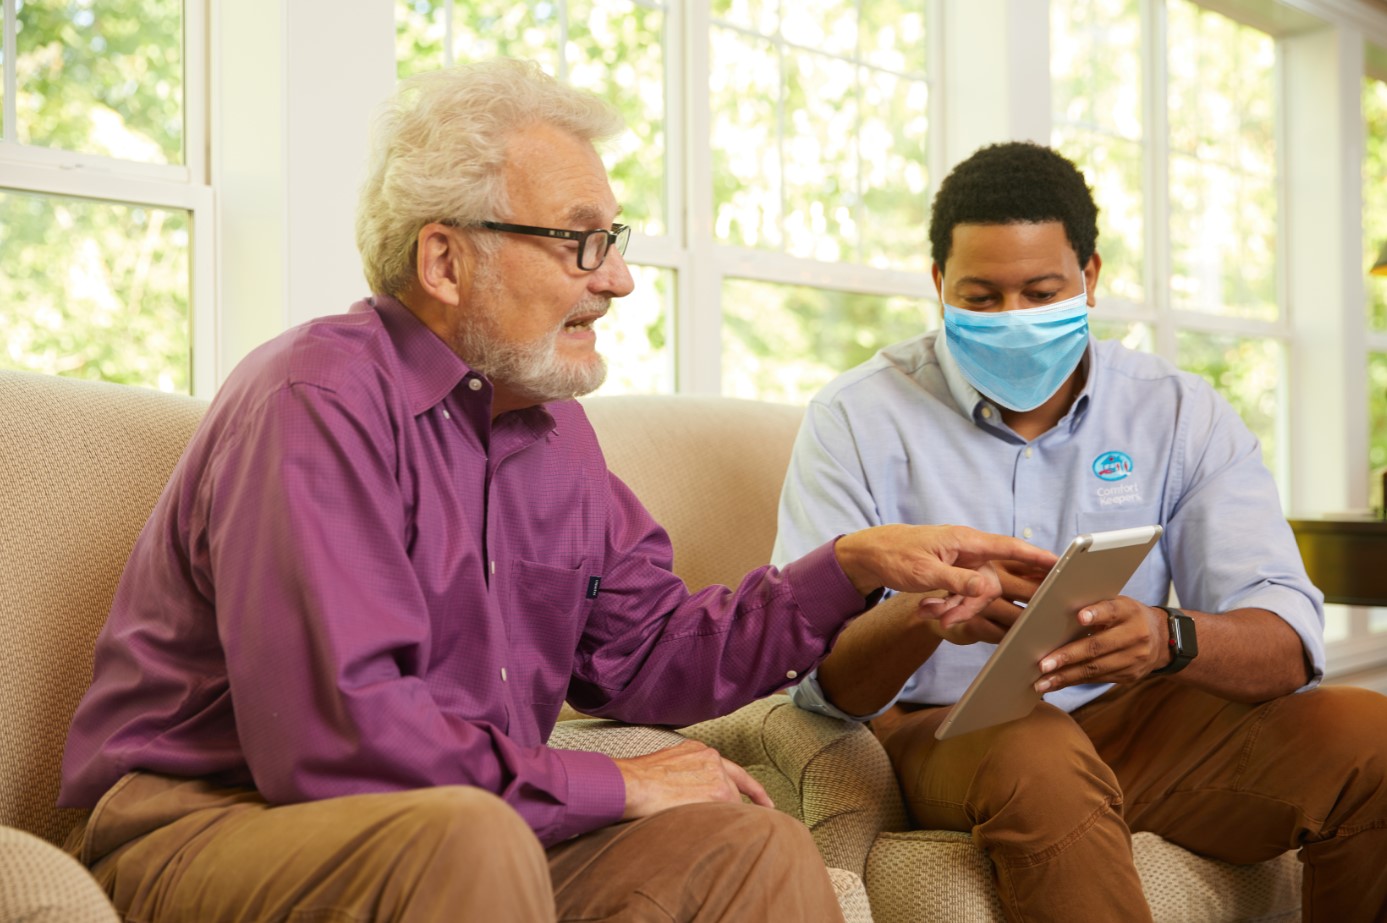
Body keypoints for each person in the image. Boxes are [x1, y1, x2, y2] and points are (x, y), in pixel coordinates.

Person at [56, 60, 1055, 923]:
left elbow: (655, 654)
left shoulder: (548, 429)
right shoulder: (316, 401)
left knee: (752, 848)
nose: (617, 277)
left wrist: (851, 565)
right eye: (579, 239)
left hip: (458, 825)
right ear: (444, 259)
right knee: (466, 835)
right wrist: (614, 780)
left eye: (611, 236)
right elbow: (343, 739)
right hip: (209, 826)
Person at [774, 140, 1387, 922]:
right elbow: (820, 685)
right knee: (1036, 751)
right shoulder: (855, 417)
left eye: (1039, 290)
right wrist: (924, 613)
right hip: (938, 733)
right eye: (982, 297)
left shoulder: (1176, 411)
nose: (1014, 319)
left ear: (1088, 278)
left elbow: (1287, 640)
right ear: (937, 287)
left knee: (1368, 736)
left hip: (1132, 718)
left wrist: (1167, 637)